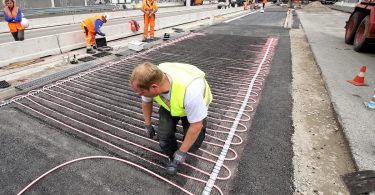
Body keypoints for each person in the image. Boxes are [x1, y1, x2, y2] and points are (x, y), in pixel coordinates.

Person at [130, 62, 212, 175]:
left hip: (191, 107)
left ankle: (180, 153)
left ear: (154, 87)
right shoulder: (149, 79)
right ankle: (173, 157)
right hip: (170, 105)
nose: (139, 94)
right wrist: (147, 124)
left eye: (141, 92)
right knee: (164, 139)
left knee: (192, 145)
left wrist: (182, 152)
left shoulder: (191, 93)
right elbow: (146, 102)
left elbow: (196, 125)